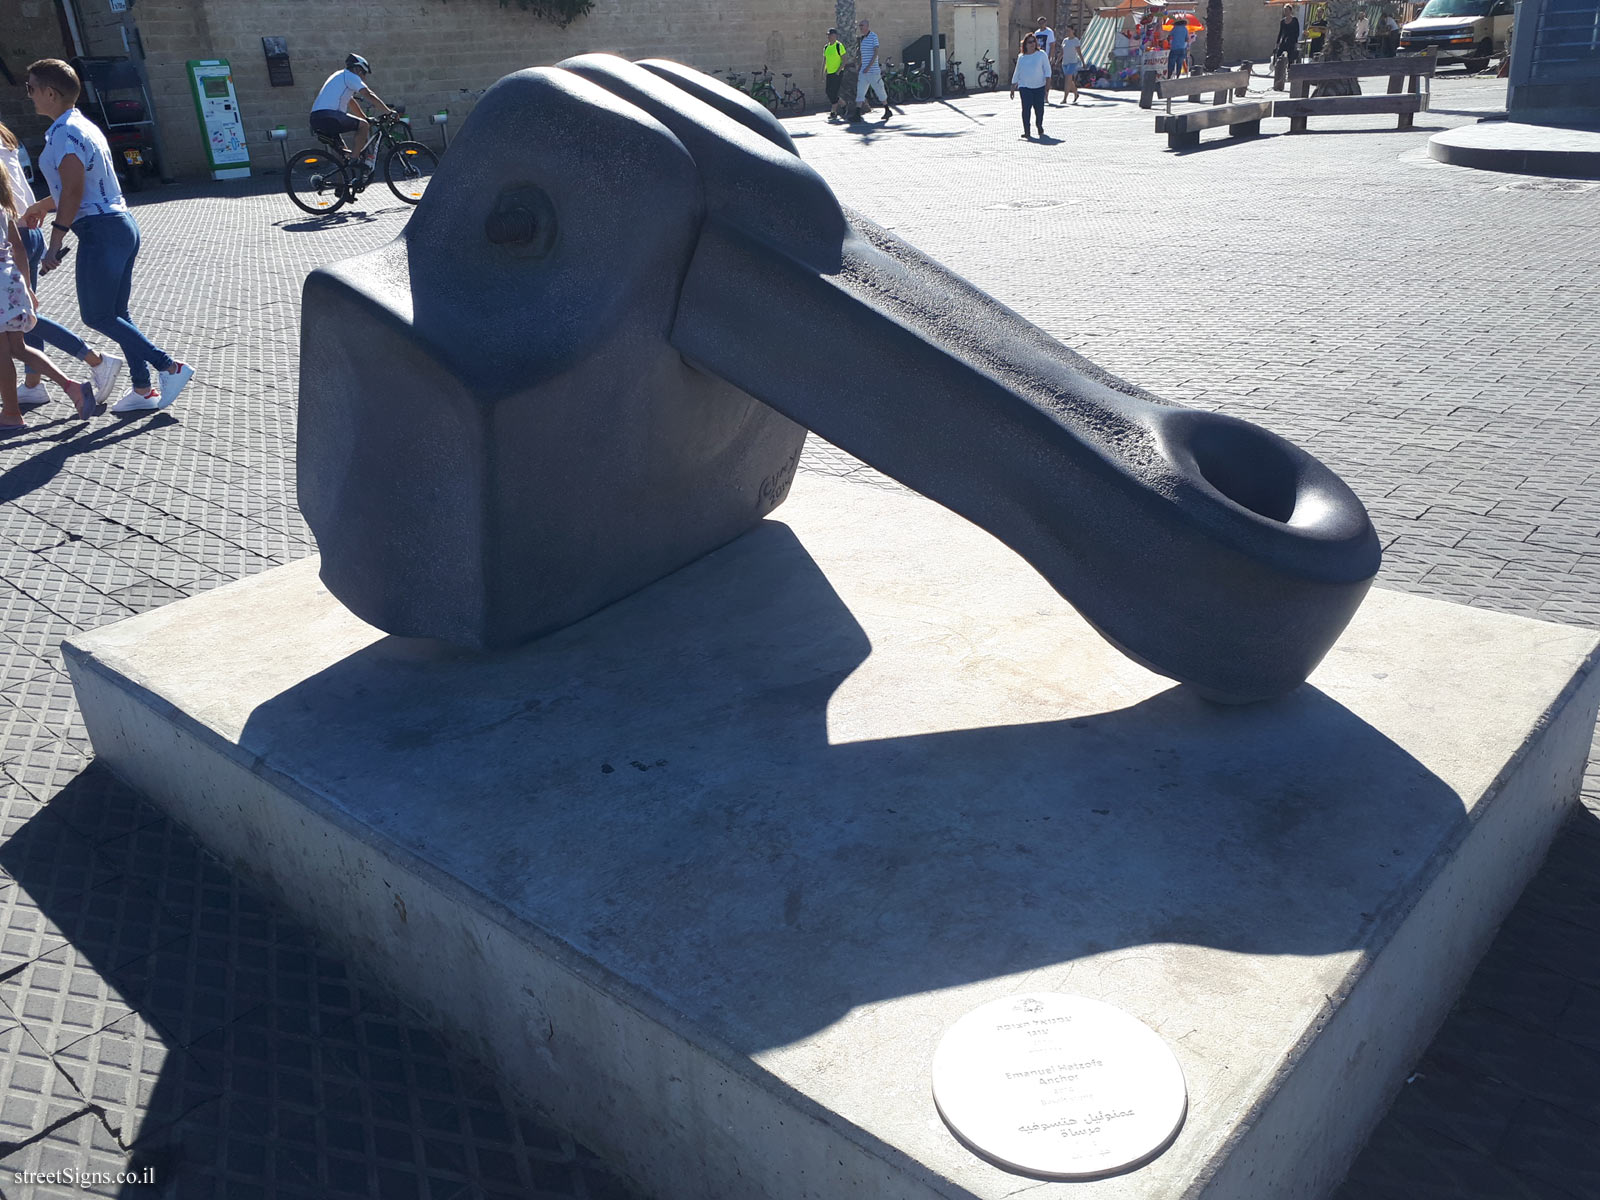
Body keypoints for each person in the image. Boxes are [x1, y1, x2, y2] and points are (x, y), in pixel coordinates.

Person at [23, 58, 191, 414]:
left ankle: (169, 367)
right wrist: (41, 205)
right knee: (116, 312)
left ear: (50, 93)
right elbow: (75, 186)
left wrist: (55, 241)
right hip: (120, 224)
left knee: (96, 315)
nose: (29, 95)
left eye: (31, 88)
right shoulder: (82, 125)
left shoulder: (64, 133)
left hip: (99, 229)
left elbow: (73, 192)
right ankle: (144, 389)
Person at [0, 120, 121, 413]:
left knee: (23, 319)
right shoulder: (6, 135)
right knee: (20, 322)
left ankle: (94, 359)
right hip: (22, 228)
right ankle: (34, 384)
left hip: (12, 233)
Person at [1, 163, 94, 431]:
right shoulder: (4, 209)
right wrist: (27, 287)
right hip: (10, 280)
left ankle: (10, 413)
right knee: (18, 347)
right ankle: (72, 387)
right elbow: (17, 248)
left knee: (2, 353)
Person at [309, 53, 394, 166]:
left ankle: (343, 181)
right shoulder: (350, 76)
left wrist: (365, 118)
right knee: (363, 126)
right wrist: (388, 112)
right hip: (329, 116)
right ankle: (355, 160)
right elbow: (369, 94)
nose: (364, 77)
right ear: (357, 69)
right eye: (364, 73)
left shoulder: (339, 75)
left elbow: (351, 102)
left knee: (343, 155)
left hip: (317, 118)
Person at [1010, 34, 1051, 140]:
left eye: (1034, 42)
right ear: (1025, 45)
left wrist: (1048, 83)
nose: (1032, 44)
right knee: (1026, 109)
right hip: (1024, 86)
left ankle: (1039, 125)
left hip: (1039, 86)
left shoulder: (1041, 55)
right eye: (1030, 42)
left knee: (1039, 109)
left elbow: (1047, 69)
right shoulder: (1021, 57)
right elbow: (1017, 71)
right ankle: (1027, 131)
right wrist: (1013, 86)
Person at [855, 19, 891, 125]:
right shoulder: (862, 39)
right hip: (864, 71)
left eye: (862, 25)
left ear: (867, 26)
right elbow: (862, 55)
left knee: (879, 90)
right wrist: (861, 66)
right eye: (859, 26)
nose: (860, 27)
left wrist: (869, 67)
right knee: (860, 91)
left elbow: (875, 53)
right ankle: (857, 114)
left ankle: (887, 110)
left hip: (873, 71)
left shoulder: (873, 37)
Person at [824, 28, 849, 122]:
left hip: (837, 73)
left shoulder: (839, 46)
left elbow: (844, 59)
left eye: (830, 35)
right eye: (828, 35)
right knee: (828, 91)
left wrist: (838, 71)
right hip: (829, 73)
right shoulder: (826, 47)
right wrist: (823, 73)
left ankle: (833, 112)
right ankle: (843, 104)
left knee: (833, 92)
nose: (829, 37)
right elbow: (825, 61)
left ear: (835, 36)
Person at [1056, 26, 1084, 104]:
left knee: (1067, 80)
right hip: (1065, 62)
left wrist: (1083, 62)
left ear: (1073, 31)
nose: (1067, 32)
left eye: (1069, 31)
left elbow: (1079, 52)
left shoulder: (1076, 41)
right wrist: (1057, 61)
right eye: (1066, 31)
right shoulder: (1065, 41)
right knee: (1069, 80)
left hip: (1072, 62)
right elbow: (1062, 52)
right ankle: (1076, 93)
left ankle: (1065, 98)